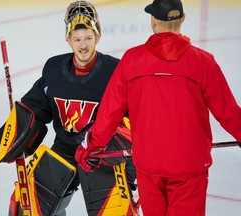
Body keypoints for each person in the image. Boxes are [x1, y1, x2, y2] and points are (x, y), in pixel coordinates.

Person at [74, 0, 241, 215]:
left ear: (153, 21)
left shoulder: (132, 60)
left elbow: (109, 113)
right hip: (189, 166)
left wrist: (91, 148)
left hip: (149, 164)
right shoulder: (203, 62)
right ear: (182, 19)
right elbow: (228, 112)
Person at [3, 1, 138, 215]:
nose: (83, 45)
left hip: (100, 154)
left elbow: (136, 118)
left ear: (98, 38)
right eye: (77, 39)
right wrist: (15, 134)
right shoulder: (54, 69)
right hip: (65, 150)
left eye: (88, 38)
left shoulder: (115, 71)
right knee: (24, 204)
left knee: (116, 211)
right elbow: (35, 107)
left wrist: (124, 160)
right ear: (68, 40)